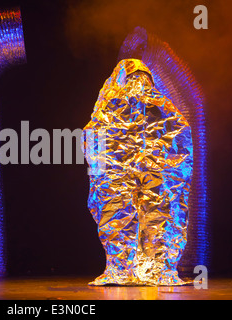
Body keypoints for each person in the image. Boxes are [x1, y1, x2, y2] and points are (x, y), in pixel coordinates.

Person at [82, 59, 193, 286]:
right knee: (140, 217)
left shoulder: (111, 105)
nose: (138, 84)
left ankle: (137, 268)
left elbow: (93, 137)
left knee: (140, 217)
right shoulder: (161, 105)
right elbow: (181, 136)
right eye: (135, 79)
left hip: (142, 175)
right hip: (140, 176)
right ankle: (141, 269)